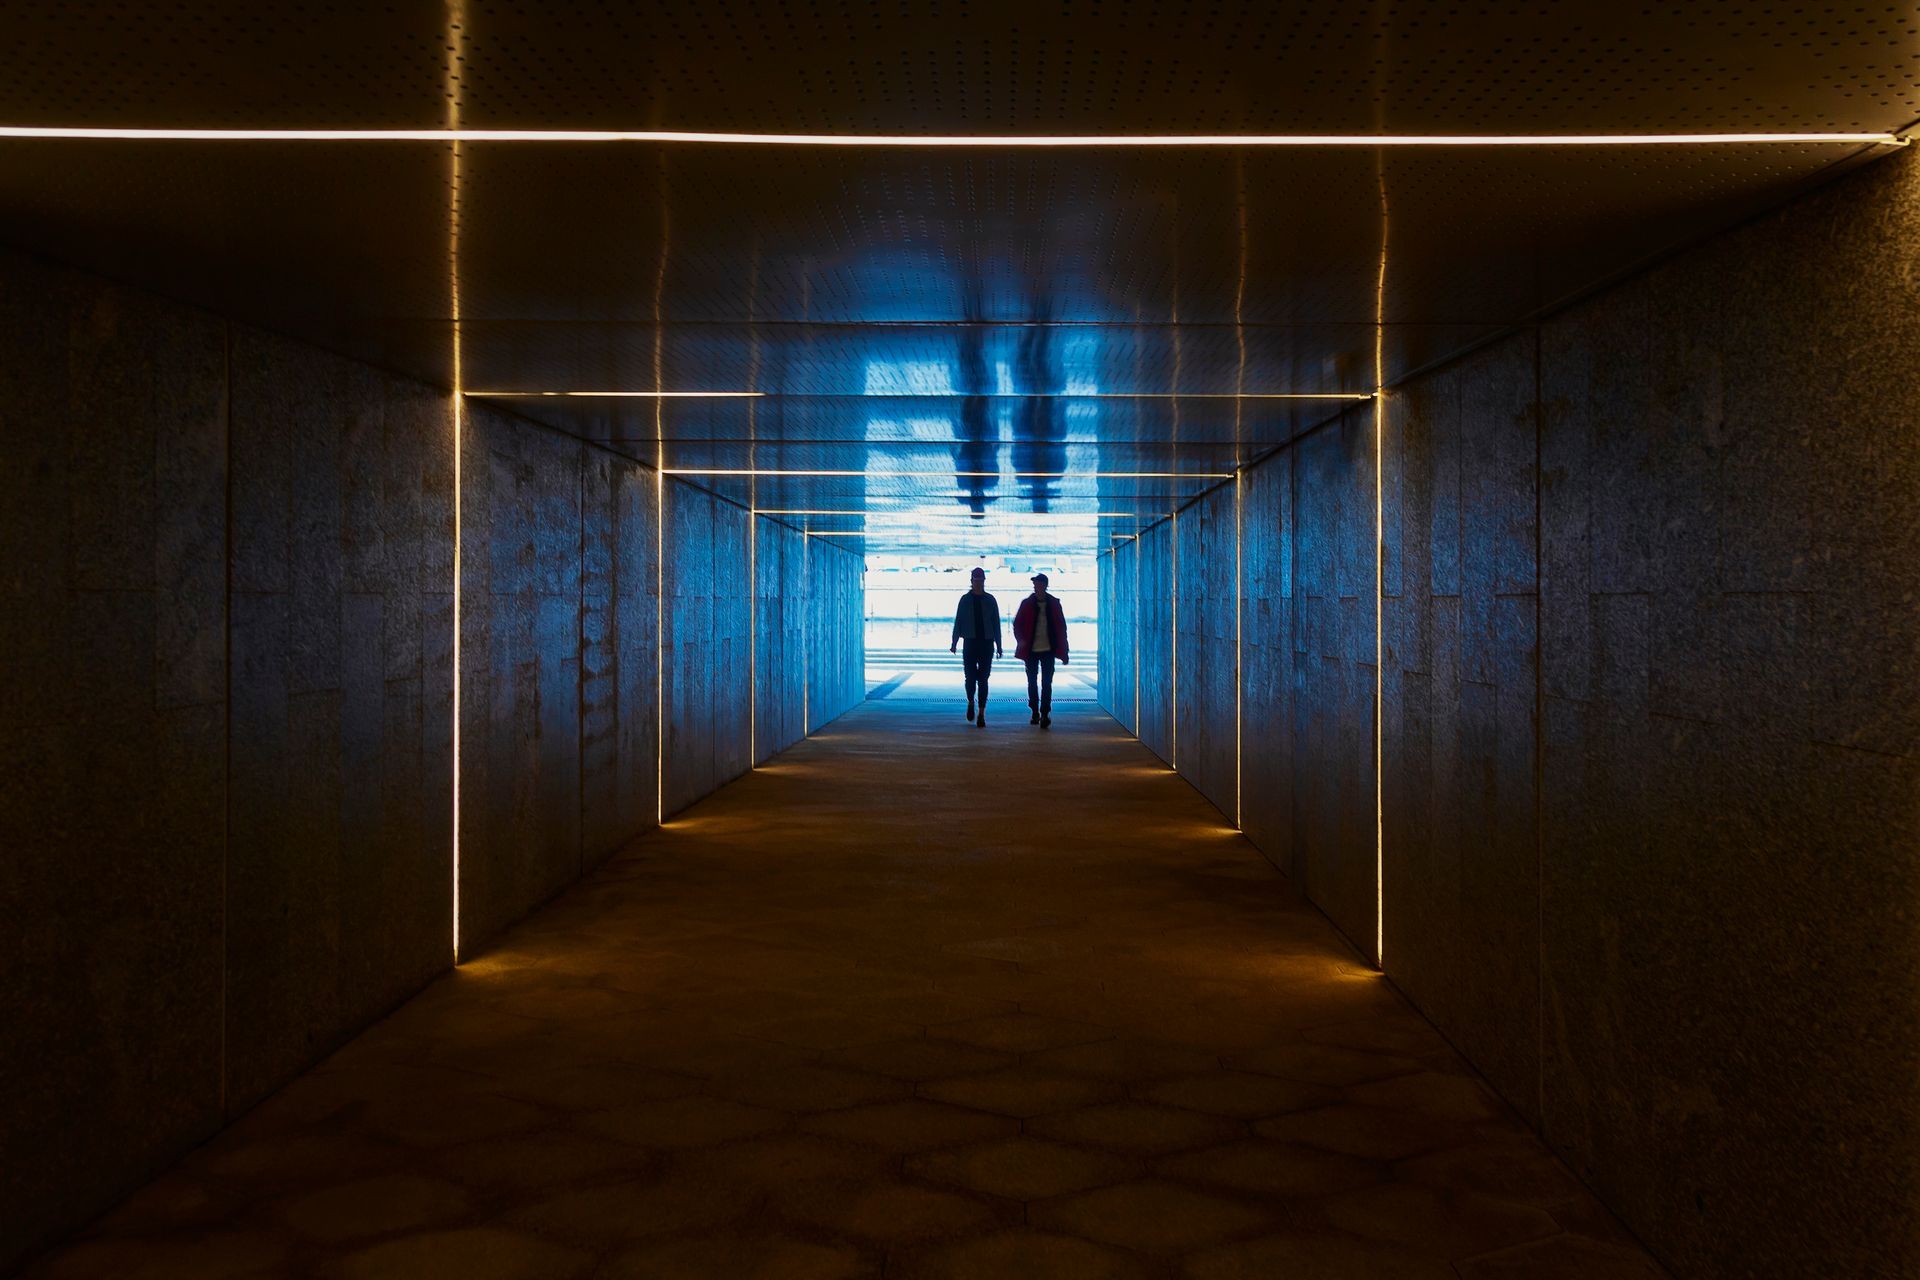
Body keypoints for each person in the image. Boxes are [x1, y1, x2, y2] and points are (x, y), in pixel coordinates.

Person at [1012, 572, 1069, 728]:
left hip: (1048, 650)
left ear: (1044, 585)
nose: (1035, 586)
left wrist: (1064, 651)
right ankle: (1035, 711)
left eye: (1038, 584)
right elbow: (1017, 624)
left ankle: (1044, 713)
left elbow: (1061, 627)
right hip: (1031, 650)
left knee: (1046, 683)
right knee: (1032, 682)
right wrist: (1022, 641)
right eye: (1034, 584)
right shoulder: (1027, 603)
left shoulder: (1053, 604)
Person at [949, 566, 1002, 727]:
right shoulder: (965, 600)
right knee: (970, 678)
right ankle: (971, 701)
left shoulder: (990, 600)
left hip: (986, 643)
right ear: (971, 581)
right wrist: (954, 642)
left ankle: (981, 713)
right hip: (970, 642)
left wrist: (999, 645)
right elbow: (958, 621)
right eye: (975, 580)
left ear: (984, 581)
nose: (978, 583)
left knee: (984, 679)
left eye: (980, 580)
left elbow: (996, 623)